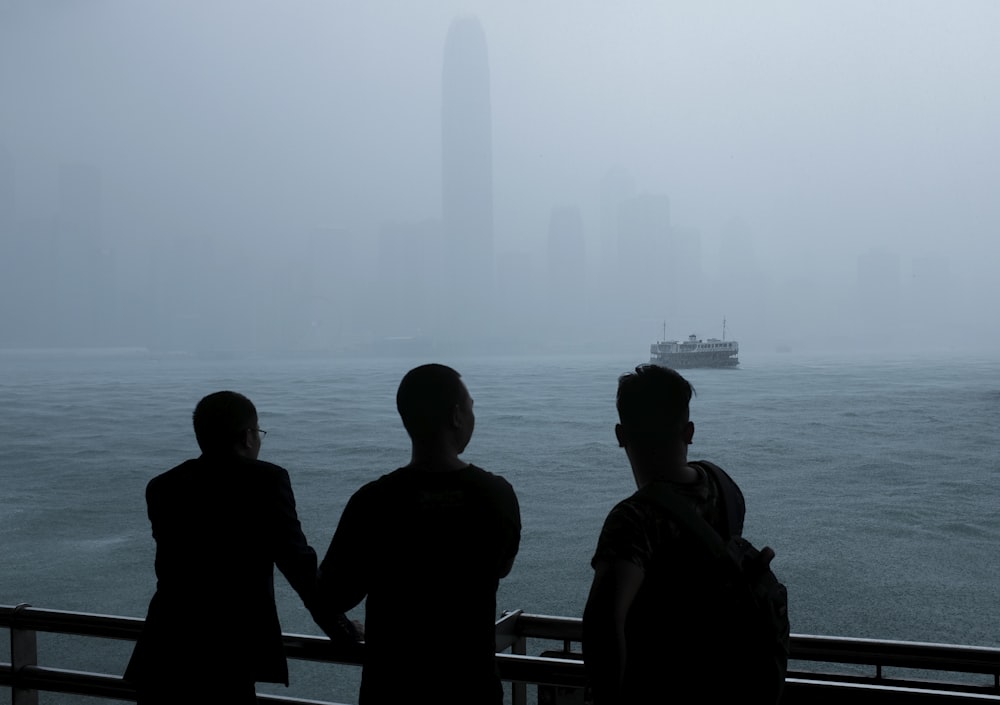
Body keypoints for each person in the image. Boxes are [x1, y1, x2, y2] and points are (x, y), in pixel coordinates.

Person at [124, 390, 359, 705]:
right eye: (259, 432)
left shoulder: (163, 486)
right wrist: (342, 631)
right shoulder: (266, 481)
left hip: (162, 650)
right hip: (226, 659)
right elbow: (298, 566)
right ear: (248, 436)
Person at [318, 363, 521, 705]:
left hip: (393, 686)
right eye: (471, 408)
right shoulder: (496, 494)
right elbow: (502, 566)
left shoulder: (372, 501)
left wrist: (345, 629)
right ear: (456, 415)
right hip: (470, 685)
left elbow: (330, 594)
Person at [583, 364, 765, 704]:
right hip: (727, 685)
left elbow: (605, 627)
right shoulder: (725, 486)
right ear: (689, 431)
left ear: (621, 435)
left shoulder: (633, 520)